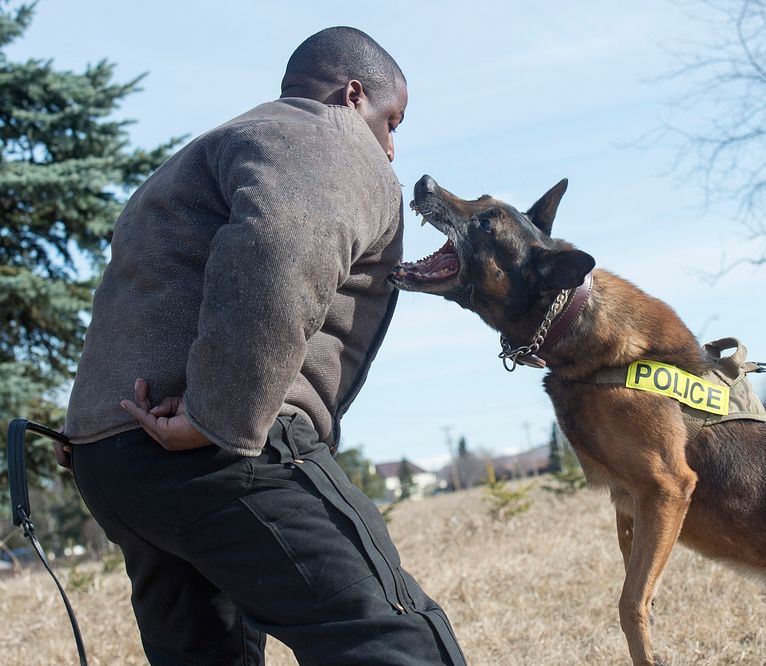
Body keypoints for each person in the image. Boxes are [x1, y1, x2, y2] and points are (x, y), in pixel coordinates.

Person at [59, 26, 466, 665]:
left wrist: (98, 429)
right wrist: (219, 413)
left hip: (115, 459)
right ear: (353, 94)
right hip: (211, 446)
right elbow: (281, 242)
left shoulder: (216, 149)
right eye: (393, 121)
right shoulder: (324, 135)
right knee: (391, 639)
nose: (390, 149)